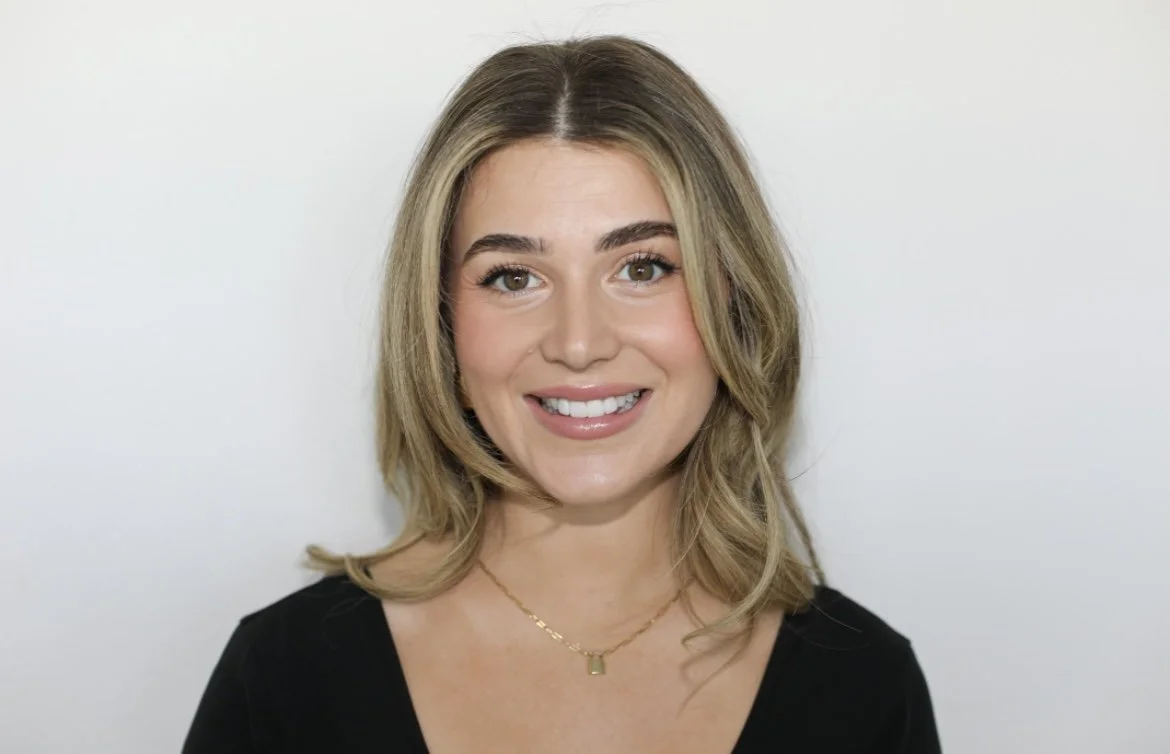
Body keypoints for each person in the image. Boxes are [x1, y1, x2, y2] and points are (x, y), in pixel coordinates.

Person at [182, 35, 942, 753]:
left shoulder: (865, 686)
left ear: (733, 305)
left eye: (642, 268)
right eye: (514, 277)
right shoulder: (285, 679)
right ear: (441, 330)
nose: (579, 342)